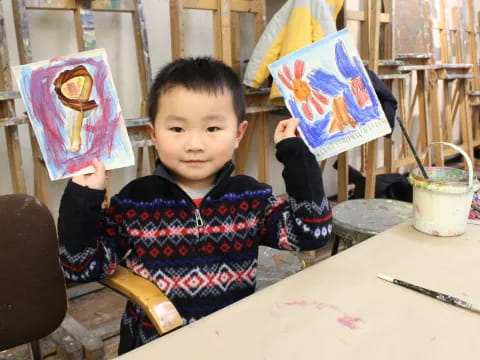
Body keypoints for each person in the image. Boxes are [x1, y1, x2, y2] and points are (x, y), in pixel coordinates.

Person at [58, 57, 332, 354]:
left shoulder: (250, 199)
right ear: (153, 135)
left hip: (231, 344)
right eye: (177, 129)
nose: (194, 144)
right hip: (156, 346)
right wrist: (82, 198)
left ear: (238, 134)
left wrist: (296, 155)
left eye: (212, 129)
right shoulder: (135, 202)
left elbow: (311, 233)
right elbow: (80, 266)